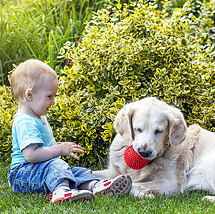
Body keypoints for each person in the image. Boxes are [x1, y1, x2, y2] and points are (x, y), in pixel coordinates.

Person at [8, 59, 132, 203]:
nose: (53, 102)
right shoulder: (25, 121)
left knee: (74, 171)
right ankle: (61, 192)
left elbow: (42, 147)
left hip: (38, 170)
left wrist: (59, 145)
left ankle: (96, 186)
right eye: (49, 96)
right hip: (22, 174)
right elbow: (31, 155)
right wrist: (60, 150)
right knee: (57, 166)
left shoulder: (37, 118)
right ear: (29, 95)